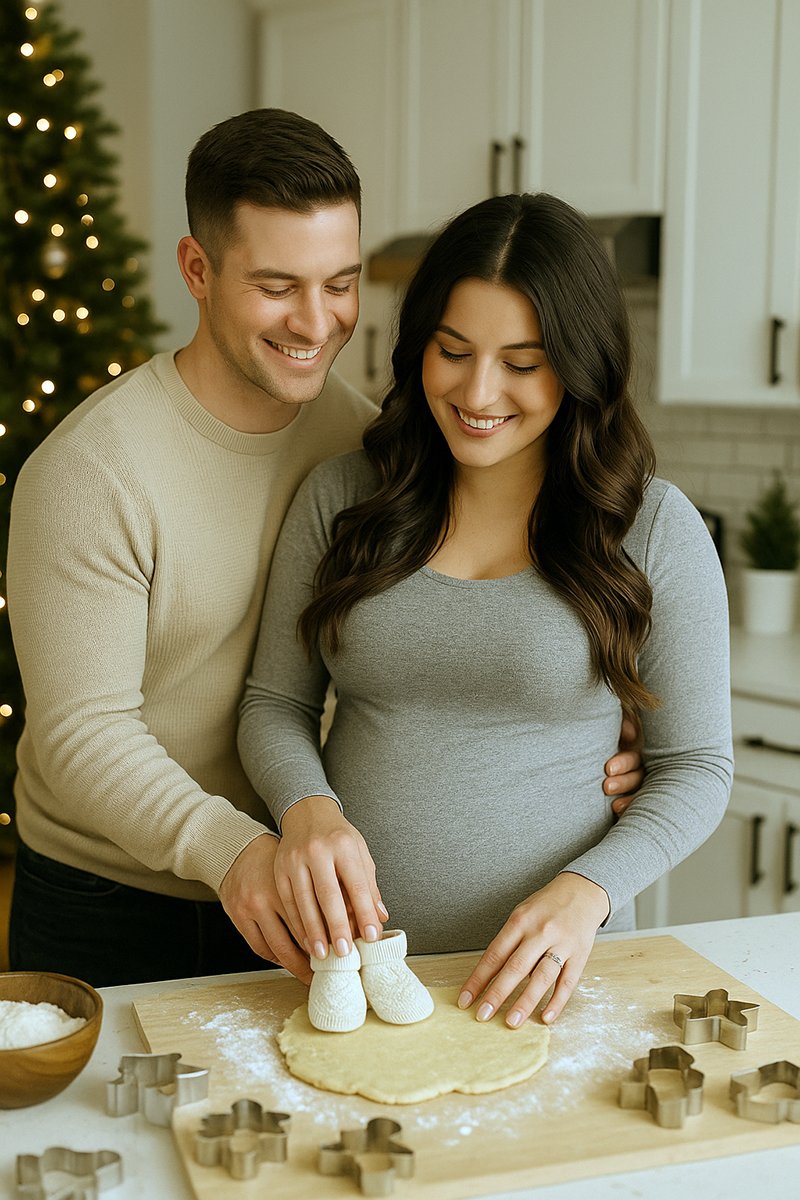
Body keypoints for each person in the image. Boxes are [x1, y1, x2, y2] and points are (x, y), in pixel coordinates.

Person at [6, 109, 642, 988]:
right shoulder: (91, 473)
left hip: (304, 886)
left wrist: (605, 715)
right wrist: (241, 850)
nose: (316, 321)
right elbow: (82, 735)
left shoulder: (368, 443)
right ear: (197, 269)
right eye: (277, 286)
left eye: (339, 283)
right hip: (116, 897)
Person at [237, 191, 733, 1027]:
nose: (478, 390)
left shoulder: (650, 528)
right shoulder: (344, 497)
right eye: (453, 350)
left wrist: (589, 893)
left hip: (554, 984)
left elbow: (696, 769)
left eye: (523, 362)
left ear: (579, 364)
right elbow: (272, 705)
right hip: (349, 970)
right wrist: (306, 810)